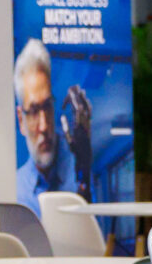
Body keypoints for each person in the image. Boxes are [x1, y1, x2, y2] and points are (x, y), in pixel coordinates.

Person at [13, 39, 92, 210]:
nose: (43, 126)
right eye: (33, 111)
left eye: (47, 106)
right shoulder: (15, 191)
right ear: (21, 120)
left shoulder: (80, 174)